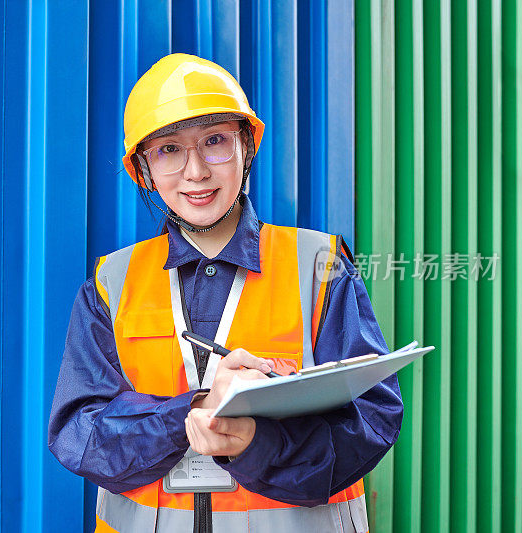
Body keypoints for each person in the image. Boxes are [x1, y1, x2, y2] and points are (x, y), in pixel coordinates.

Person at [48, 53, 402, 533]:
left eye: (214, 141)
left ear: (245, 147)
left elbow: (371, 419)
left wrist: (256, 442)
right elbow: (80, 433)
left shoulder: (320, 266)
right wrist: (190, 414)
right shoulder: (111, 283)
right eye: (169, 150)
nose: (195, 172)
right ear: (144, 170)